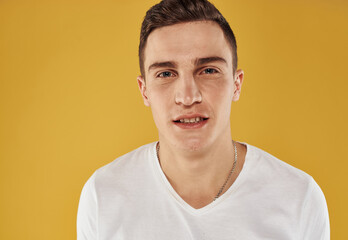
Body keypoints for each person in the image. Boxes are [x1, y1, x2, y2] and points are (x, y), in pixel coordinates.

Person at [77, 0, 330, 239]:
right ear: (145, 91)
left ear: (236, 84)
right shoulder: (103, 195)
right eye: (166, 73)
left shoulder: (299, 197)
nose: (188, 97)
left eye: (208, 70)